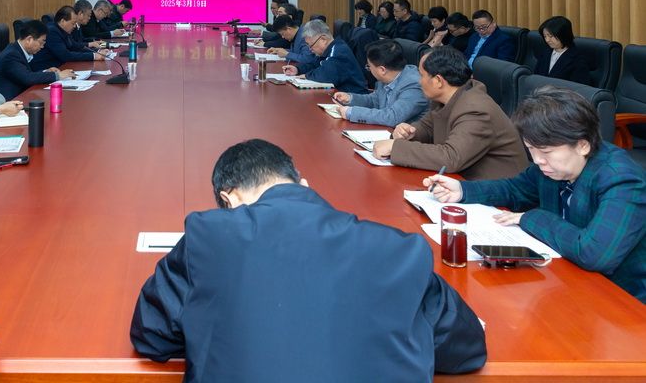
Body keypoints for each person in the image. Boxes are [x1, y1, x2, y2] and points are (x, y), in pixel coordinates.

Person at [130, 139, 487, 381]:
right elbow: (465, 350)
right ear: (302, 183)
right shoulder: (399, 250)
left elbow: (152, 337)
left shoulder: (210, 236)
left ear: (229, 199)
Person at [426, 87, 646, 303]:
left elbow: (594, 254)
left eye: (546, 152)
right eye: (531, 149)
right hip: (565, 276)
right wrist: (462, 190)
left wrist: (530, 217)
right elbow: (514, 189)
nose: (538, 160)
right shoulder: (554, 165)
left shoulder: (623, 180)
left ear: (582, 146)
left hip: (621, 299)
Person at [373, 46, 529, 180]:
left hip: (496, 195)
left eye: (422, 75)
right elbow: (427, 128)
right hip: (459, 182)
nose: (419, 81)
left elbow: (451, 157)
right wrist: (408, 132)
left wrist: (396, 148)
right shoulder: (448, 98)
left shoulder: (476, 109)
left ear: (438, 81)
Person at [333, 39, 428, 127]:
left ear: (382, 70)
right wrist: (350, 99)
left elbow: (392, 117)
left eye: (369, 66)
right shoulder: (386, 78)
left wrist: (351, 113)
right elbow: (374, 101)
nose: (369, 70)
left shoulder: (414, 85)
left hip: (407, 138)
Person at [0, 19, 74, 100]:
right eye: (41, 42)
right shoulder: (11, 55)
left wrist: (46, 71)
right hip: (9, 102)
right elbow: (27, 78)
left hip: (22, 95)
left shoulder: (18, 50)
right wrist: (58, 75)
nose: (42, 46)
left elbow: (26, 73)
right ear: (29, 39)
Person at [282, 19, 368, 94]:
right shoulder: (327, 51)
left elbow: (326, 75)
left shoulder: (339, 51)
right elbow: (314, 64)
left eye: (311, 45)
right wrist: (298, 69)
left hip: (354, 98)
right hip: (339, 94)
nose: (310, 49)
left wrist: (306, 76)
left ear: (323, 39)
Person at [36, 6, 110, 70]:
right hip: (47, 69)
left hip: (61, 66)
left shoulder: (63, 30)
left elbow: (74, 46)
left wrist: (97, 52)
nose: (74, 26)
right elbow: (65, 55)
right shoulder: (52, 32)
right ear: (63, 21)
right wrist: (93, 56)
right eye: (73, 23)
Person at [534, 16, 590, 85]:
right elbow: (536, 76)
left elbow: (579, 88)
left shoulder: (578, 60)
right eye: (545, 36)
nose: (547, 40)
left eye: (550, 36)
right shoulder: (545, 52)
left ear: (563, 35)